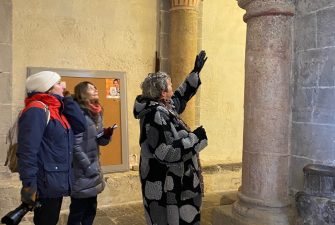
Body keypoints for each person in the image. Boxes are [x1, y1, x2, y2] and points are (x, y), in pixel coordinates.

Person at [133, 50, 208, 225]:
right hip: (165, 185)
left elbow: (180, 96)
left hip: (171, 182)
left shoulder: (163, 106)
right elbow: (165, 152)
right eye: (169, 85)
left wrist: (195, 72)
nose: (172, 88)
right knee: (169, 220)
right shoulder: (153, 114)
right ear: (162, 92)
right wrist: (195, 139)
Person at [17, 71, 86, 225]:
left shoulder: (56, 109)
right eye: (58, 83)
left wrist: (67, 98)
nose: (63, 85)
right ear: (47, 88)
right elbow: (27, 151)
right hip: (45, 182)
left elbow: (80, 125)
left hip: (56, 179)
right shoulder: (36, 110)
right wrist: (29, 186)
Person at [67, 81, 114, 225]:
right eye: (91, 88)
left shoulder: (97, 111)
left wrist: (106, 135)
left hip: (93, 168)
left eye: (95, 87)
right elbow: (75, 147)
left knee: (91, 208)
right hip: (81, 170)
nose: (95, 89)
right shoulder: (78, 114)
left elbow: (99, 140)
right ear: (82, 93)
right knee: (78, 211)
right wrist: (88, 167)